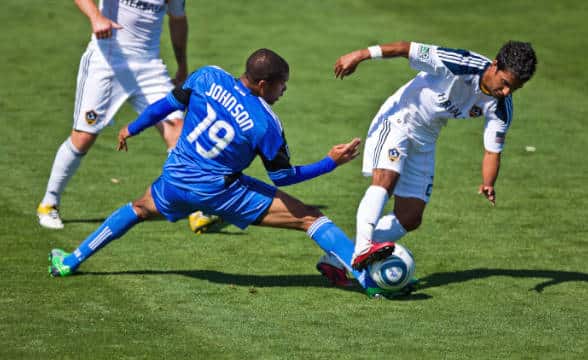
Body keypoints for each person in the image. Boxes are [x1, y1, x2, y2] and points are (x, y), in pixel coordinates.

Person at [48, 48, 394, 298]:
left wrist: (132, 128)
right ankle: (367, 278)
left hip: (175, 182)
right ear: (262, 84)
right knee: (310, 218)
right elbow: (283, 178)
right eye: (280, 84)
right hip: (221, 192)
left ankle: (71, 260)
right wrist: (330, 161)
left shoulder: (206, 76)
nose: (284, 90)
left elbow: (167, 105)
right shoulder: (266, 123)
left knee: (137, 209)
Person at [332, 40, 537, 271]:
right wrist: (360, 54)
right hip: (398, 119)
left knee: (410, 217)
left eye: (514, 88)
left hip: (426, 138)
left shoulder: (501, 107)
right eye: (506, 83)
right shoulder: (459, 63)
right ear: (495, 65)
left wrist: (488, 183)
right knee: (386, 180)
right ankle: (362, 248)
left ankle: (338, 258)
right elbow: (404, 48)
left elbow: (492, 150)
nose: (507, 92)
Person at [37, 0, 194, 229]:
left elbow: (178, 18)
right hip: (107, 61)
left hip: (149, 66)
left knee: (178, 130)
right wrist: (96, 17)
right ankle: (49, 203)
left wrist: (182, 64)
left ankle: (190, 204)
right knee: (83, 138)